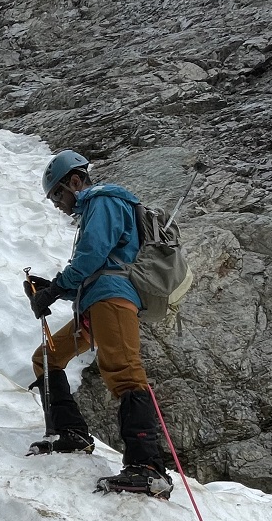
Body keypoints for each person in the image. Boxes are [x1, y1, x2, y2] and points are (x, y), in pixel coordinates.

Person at [25, 150, 174, 498]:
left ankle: (148, 468)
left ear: (75, 182)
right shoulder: (95, 207)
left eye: (58, 195)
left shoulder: (103, 201)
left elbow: (92, 257)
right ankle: (72, 433)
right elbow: (92, 267)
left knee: (124, 371)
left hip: (112, 298)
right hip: (94, 303)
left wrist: (55, 289)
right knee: (46, 357)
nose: (58, 204)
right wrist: (53, 290)